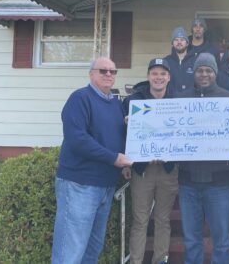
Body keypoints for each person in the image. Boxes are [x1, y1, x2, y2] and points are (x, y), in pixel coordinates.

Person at [51, 57, 133, 263]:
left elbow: (116, 137)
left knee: (91, 250)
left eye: (113, 72)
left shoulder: (116, 104)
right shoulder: (80, 98)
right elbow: (77, 139)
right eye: (103, 70)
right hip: (80, 184)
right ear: (91, 74)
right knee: (70, 251)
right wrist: (113, 158)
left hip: (105, 185)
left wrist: (123, 162)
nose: (108, 75)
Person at [176, 53, 229, 264]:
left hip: (219, 183)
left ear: (215, 73)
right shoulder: (180, 100)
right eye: (200, 70)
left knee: (221, 239)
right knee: (192, 239)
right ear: (194, 73)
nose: (204, 74)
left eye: (208, 70)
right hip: (187, 182)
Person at [122, 58, 178, 264]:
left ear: (169, 78)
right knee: (140, 220)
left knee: (163, 220)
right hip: (142, 170)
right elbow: (122, 136)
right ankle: (135, 261)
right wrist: (126, 163)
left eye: (163, 74)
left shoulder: (178, 102)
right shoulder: (132, 102)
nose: (158, 77)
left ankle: (160, 260)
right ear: (148, 76)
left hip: (168, 169)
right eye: (154, 73)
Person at [165, 26, 196, 95]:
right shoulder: (166, 61)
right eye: (176, 40)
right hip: (172, 102)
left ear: (187, 43)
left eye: (182, 39)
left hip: (190, 101)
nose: (179, 42)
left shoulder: (195, 61)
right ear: (172, 43)